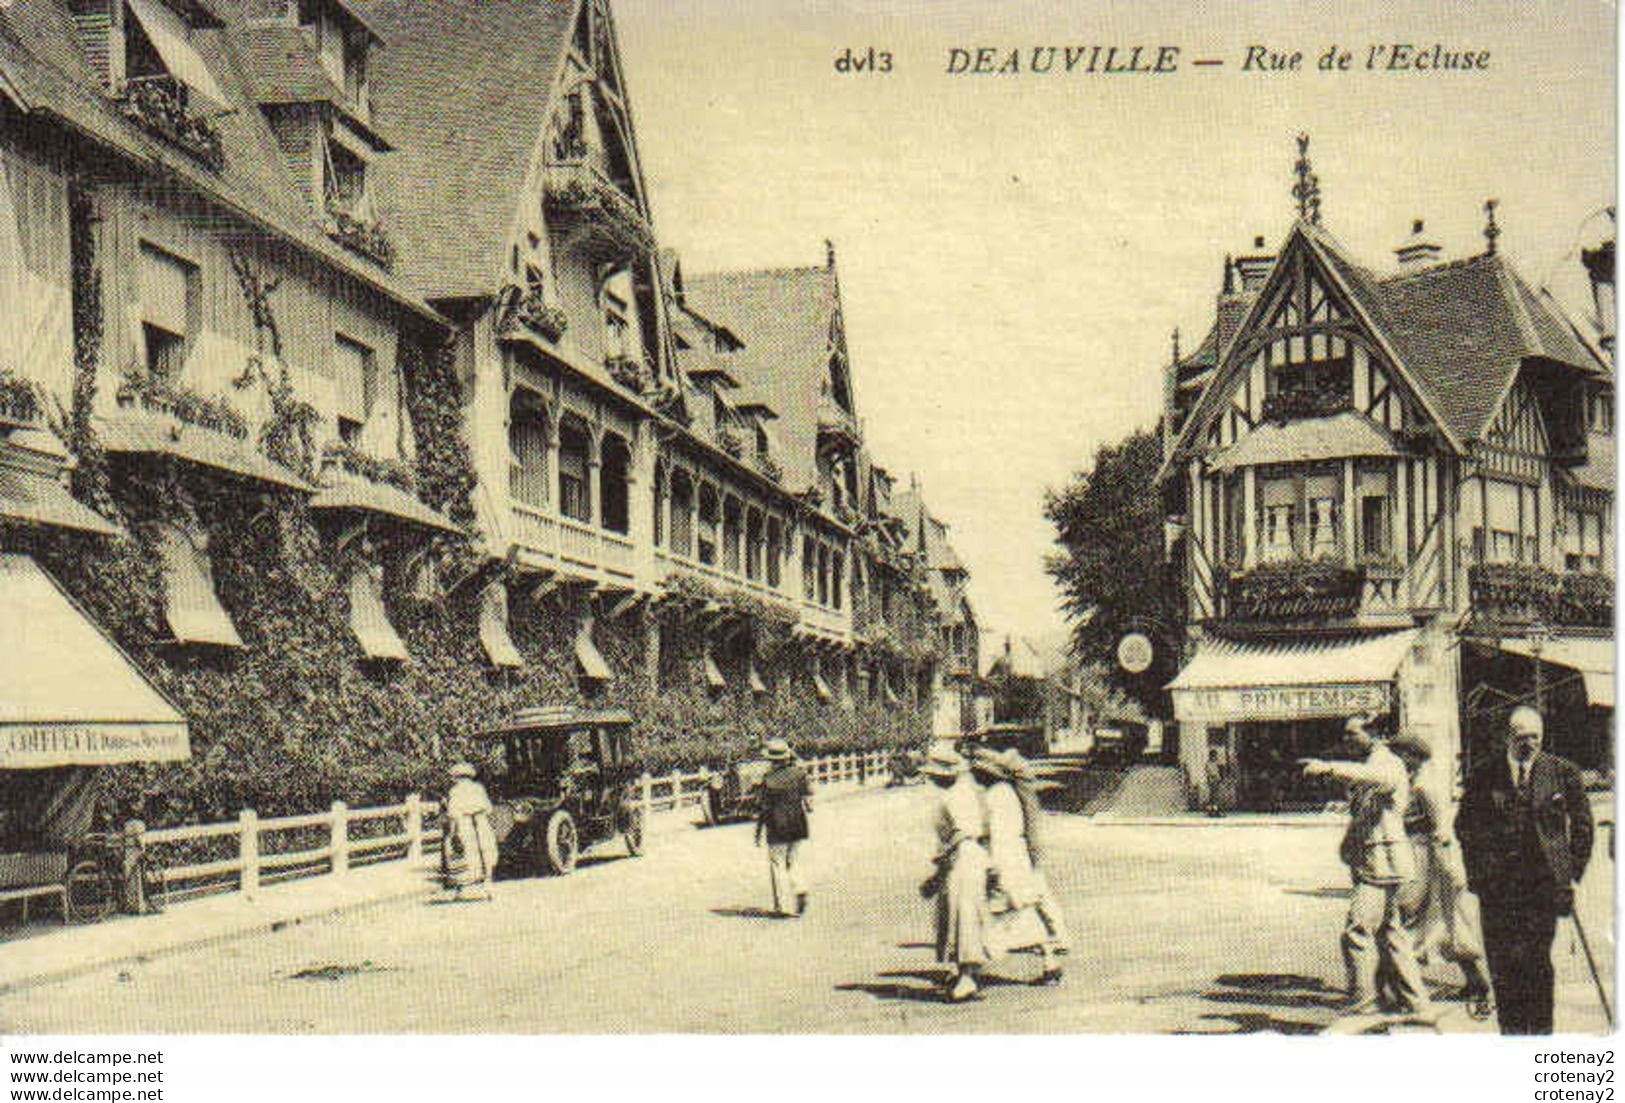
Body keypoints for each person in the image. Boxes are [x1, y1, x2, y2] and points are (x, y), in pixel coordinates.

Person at [1456, 705, 1594, 1035]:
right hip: (1497, 890)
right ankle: (1513, 1036)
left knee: (1537, 963)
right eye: (1522, 737)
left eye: (1536, 736)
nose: (1530, 743)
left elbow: (1584, 826)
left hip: (1543, 887)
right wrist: (1478, 874)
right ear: (1507, 737)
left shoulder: (1562, 772)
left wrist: (1570, 872)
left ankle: (1541, 1036)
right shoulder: (1484, 774)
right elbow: (1465, 826)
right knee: (1503, 966)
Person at [1301, 715, 1434, 1020]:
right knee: (1392, 935)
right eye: (1345, 736)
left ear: (1372, 734)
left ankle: (1363, 1003)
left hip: (1382, 862)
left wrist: (1329, 767)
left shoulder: (1385, 762)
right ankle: (1417, 1004)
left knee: (1357, 931)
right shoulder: (1373, 763)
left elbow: (1379, 780)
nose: (1348, 740)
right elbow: (1367, 803)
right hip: (1376, 859)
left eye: (1353, 734)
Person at [1387, 734, 1494, 1020]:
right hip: (1417, 854)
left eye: (1400, 753)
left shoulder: (1423, 785)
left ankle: (1405, 992)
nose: (1396, 757)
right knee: (1446, 925)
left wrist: (1448, 869)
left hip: (1427, 858)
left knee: (1415, 921)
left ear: (1412, 755)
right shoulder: (1411, 780)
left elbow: (1441, 829)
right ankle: (1476, 983)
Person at [971, 747, 1062, 984]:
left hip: (1004, 859)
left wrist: (991, 866)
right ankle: (1049, 959)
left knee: (992, 912)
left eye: (978, 772)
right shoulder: (1008, 792)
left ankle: (968, 970)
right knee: (1022, 911)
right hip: (1017, 857)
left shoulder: (994, 796)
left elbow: (997, 834)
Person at [919, 745, 993, 1002]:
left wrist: (941, 860)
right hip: (963, 856)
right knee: (958, 914)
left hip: (964, 856)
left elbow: (963, 832)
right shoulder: (960, 792)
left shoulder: (957, 796)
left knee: (964, 915)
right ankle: (964, 972)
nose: (932, 778)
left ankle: (967, 977)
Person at [754, 738, 811, 917]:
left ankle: (781, 905)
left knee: (777, 864)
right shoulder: (799, 774)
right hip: (797, 824)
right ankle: (800, 888)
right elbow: (809, 801)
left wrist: (758, 831)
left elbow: (763, 808)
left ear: (771, 760)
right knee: (792, 861)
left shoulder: (768, 779)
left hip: (776, 826)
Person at [442, 762, 498, 901]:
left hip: (464, 823)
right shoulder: (478, 788)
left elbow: (453, 813)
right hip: (481, 822)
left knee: (460, 854)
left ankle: (460, 889)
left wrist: (453, 832)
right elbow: (488, 808)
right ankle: (488, 886)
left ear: (457, 777)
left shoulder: (454, 791)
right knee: (486, 852)